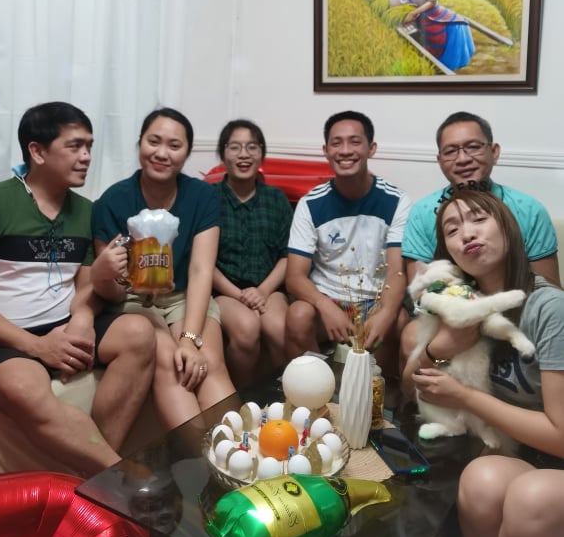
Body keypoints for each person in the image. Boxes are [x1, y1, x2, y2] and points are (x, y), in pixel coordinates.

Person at [0, 102, 155, 477]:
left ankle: (98, 470)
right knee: (23, 388)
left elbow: (86, 287)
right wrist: (36, 346)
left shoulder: (85, 211)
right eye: (75, 146)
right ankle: (117, 475)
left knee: (139, 333)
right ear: (37, 151)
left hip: (62, 322)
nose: (86, 156)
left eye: (89, 146)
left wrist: (82, 318)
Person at [403, 190, 564, 537]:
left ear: (507, 227)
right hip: (524, 452)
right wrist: (439, 350)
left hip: (555, 454)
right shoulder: (459, 302)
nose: (467, 234)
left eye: (478, 219)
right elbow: (412, 389)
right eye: (452, 229)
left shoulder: (548, 307)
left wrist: (465, 397)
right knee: (479, 482)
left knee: (530, 498)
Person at [90, 107, 235, 431]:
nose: (161, 153)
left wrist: (189, 339)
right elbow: (111, 289)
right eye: (153, 141)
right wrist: (107, 272)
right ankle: (201, 455)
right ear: (140, 142)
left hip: (184, 295)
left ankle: (239, 453)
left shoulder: (202, 196)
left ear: (187, 152)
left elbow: (200, 271)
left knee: (208, 362)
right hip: (133, 300)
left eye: (174, 145)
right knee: (172, 362)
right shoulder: (113, 201)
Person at [284, 110, 410, 374]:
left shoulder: (396, 201)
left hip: (374, 300)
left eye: (355, 142)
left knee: (398, 320)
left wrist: (386, 313)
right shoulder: (311, 204)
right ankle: (318, 386)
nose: (345, 151)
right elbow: (294, 276)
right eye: (336, 143)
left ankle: (378, 391)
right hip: (327, 299)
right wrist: (324, 306)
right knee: (297, 315)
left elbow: (396, 272)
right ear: (326, 151)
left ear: (371, 148)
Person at [402, 112, 560, 286]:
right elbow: (420, 290)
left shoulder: (529, 210)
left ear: (494, 152)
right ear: (440, 161)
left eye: (473, 147)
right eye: (450, 151)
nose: (462, 159)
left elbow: (548, 290)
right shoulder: (422, 214)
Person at [211, 119, 292, 388]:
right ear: (223, 153)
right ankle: (247, 398)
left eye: (252, 147)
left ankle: (283, 396)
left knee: (278, 329)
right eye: (235, 147)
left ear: (261, 154)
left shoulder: (276, 199)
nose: (244, 154)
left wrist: (262, 291)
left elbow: (286, 255)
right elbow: (203, 260)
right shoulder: (208, 198)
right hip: (224, 291)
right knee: (247, 328)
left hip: (269, 288)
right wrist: (240, 295)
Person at [400, 0, 475, 71]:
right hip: (422, 17)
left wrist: (413, 13)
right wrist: (411, 13)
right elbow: (406, 2)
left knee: (458, 23)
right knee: (440, 35)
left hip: (435, 12)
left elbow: (432, 2)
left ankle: (459, 57)